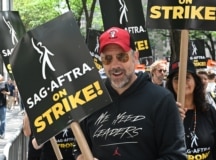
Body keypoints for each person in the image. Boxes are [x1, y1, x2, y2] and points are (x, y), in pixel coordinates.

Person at [73, 27, 186, 160]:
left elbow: (175, 156)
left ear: (135, 57)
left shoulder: (162, 99)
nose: (115, 65)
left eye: (122, 57)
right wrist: (81, 157)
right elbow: (80, 149)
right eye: (108, 59)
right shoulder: (91, 99)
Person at [166, 60, 216, 160]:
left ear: (195, 81)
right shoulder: (164, 113)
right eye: (176, 78)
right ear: (171, 84)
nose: (182, 82)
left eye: (187, 77)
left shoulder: (209, 111)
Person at [0, 74, 10, 139]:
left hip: (2, 104)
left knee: (3, 120)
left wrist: (5, 93)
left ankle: (2, 133)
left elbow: (9, 92)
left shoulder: (4, 84)